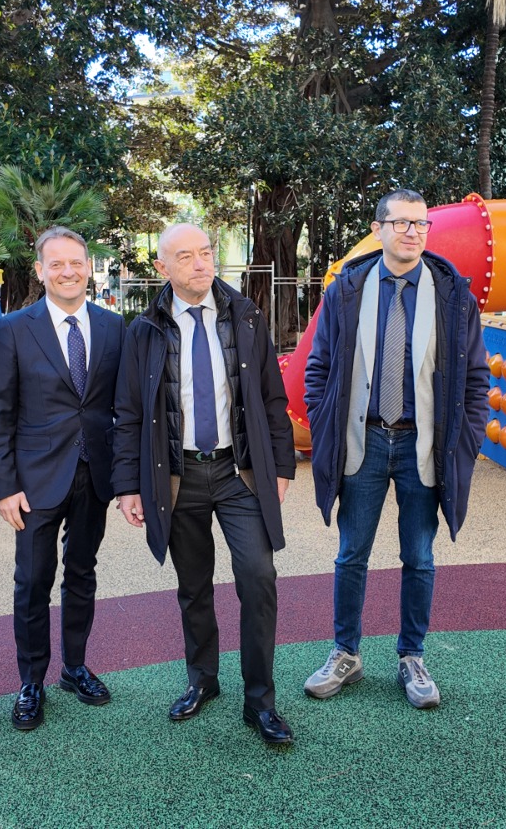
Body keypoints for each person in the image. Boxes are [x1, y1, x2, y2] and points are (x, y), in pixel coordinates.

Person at [112, 223, 298, 745]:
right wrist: (128, 486)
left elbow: (272, 399)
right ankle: (202, 680)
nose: (200, 263)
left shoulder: (246, 315)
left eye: (206, 252)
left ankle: (260, 701)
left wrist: (282, 468)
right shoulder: (144, 330)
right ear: (162, 267)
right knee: (193, 586)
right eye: (185, 256)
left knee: (258, 576)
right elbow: (128, 413)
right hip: (178, 476)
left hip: (238, 473)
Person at [302, 189, 488, 709]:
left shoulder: (452, 295)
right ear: (379, 229)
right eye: (402, 222)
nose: (412, 232)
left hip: (421, 444)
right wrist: (324, 423)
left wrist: (468, 438)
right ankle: (346, 653)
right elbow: (318, 368)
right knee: (351, 553)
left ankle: (412, 656)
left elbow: (476, 377)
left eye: (421, 224)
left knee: (420, 556)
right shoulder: (347, 290)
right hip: (362, 439)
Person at [0, 227, 124, 731]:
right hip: (34, 480)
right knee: (32, 582)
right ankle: (31, 681)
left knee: (82, 574)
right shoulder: (13, 329)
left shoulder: (113, 327)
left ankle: (75, 667)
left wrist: (126, 477)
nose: (68, 271)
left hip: (95, 474)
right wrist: (4, 485)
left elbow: (122, 407)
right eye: (57, 264)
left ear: (89, 267)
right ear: (40, 270)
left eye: (76, 262)